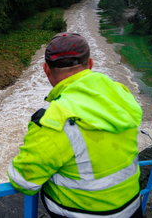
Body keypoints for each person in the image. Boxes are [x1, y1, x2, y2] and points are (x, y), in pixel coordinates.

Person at [8, 32, 143, 217]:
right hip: (132, 208)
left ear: (46, 69)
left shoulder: (55, 120)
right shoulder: (120, 95)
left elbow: (23, 181)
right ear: (90, 64)